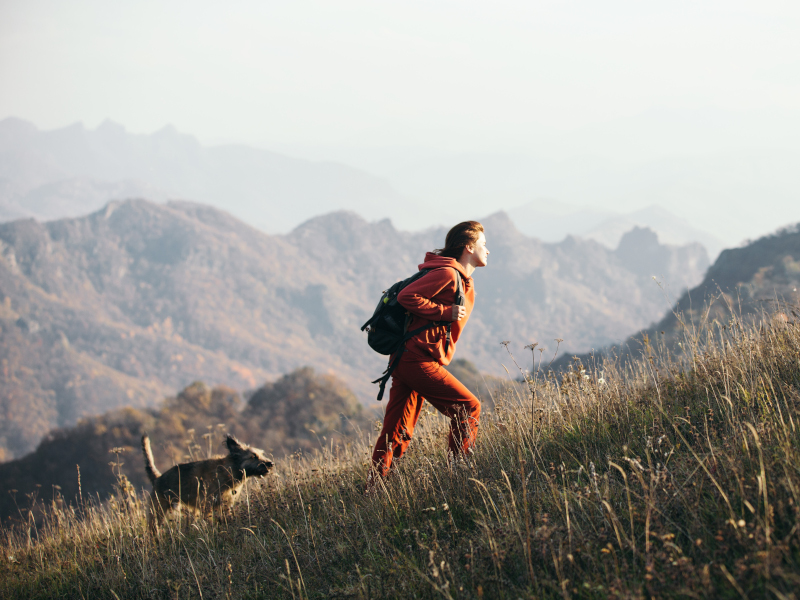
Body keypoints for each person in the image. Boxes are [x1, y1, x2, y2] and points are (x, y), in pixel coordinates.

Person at [369, 220, 489, 479]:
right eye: (483, 244)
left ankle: (374, 489)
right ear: (468, 247)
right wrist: (445, 312)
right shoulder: (447, 274)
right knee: (468, 408)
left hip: (408, 358)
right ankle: (459, 475)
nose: (487, 250)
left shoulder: (460, 278)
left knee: (397, 430)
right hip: (416, 359)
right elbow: (406, 296)